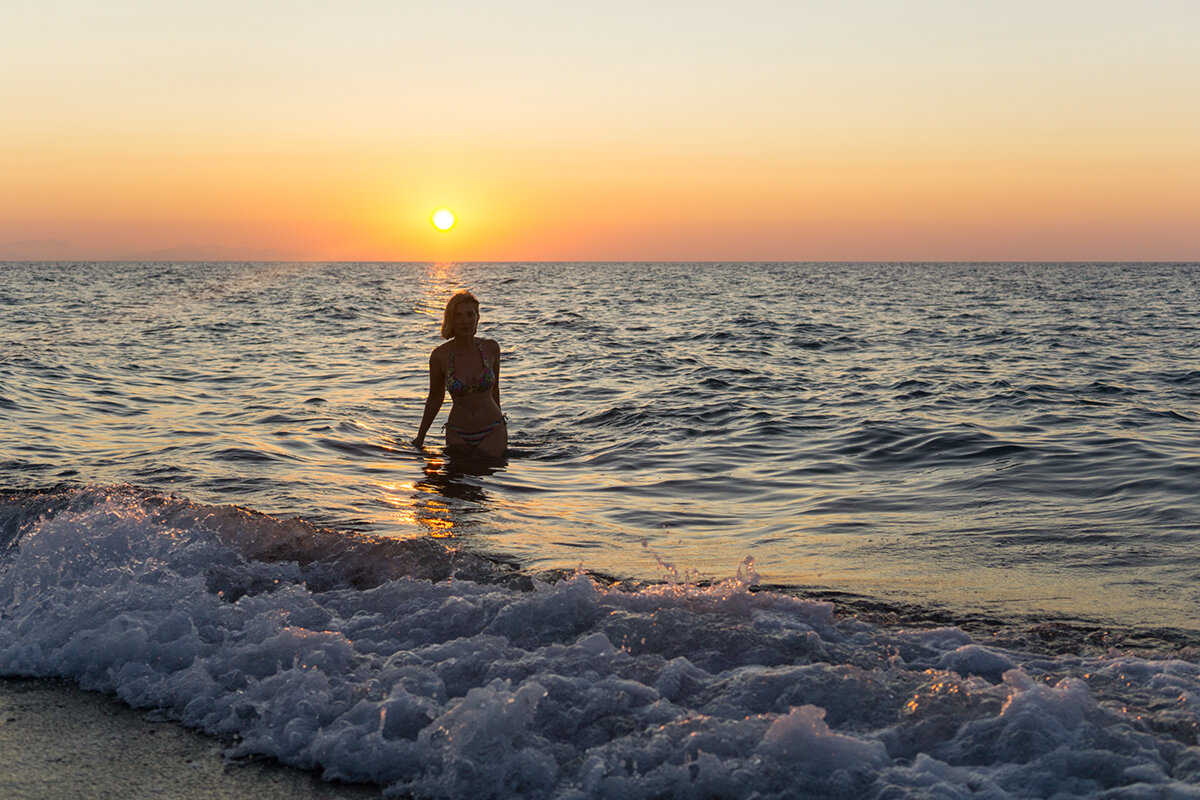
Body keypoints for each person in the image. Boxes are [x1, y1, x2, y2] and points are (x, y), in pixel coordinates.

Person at [412, 290, 507, 458]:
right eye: (458, 316)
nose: (465, 321)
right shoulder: (439, 356)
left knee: (484, 467)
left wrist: (502, 426)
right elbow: (435, 398)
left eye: (470, 315)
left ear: (477, 317)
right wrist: (421, 437)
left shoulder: (491, 348)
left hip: (492, 429)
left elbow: (495, 391)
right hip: (458, 433)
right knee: (456, 480)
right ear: (451, 320)